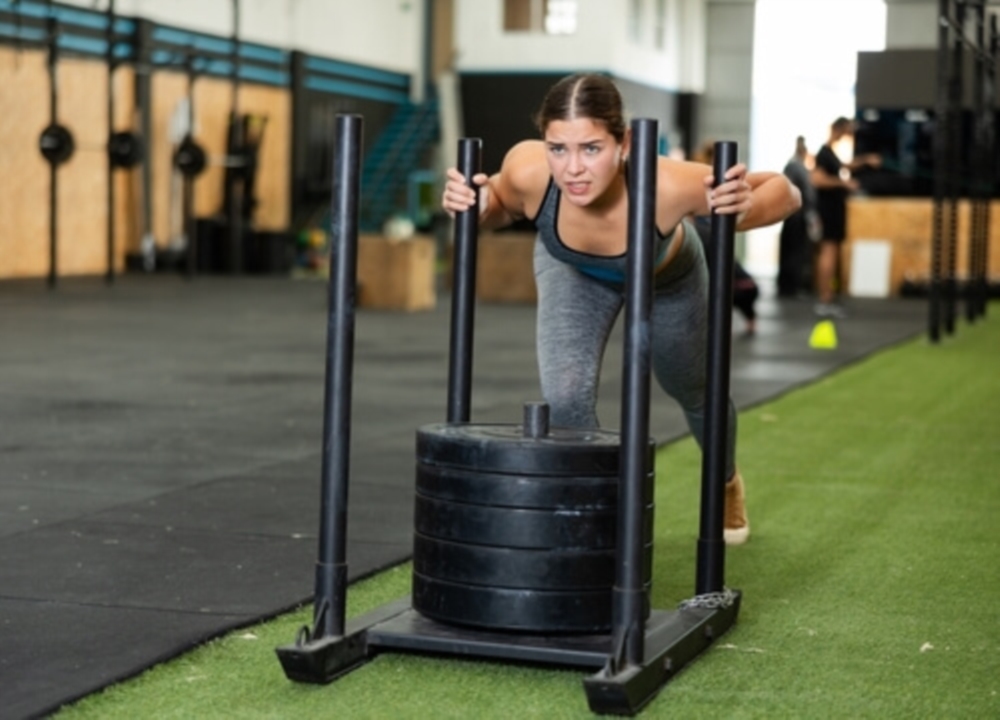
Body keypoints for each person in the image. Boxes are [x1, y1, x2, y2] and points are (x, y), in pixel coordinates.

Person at [441, 73, 801, 544]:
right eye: (558, 148)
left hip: (667, 279)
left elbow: (786, 191)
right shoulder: (529, 171)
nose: (572, 168)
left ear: (624, 142)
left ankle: (727, 480)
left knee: (694, 391)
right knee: (566, 394)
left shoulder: (666, 182)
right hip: (572, 272)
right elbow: (499, 211)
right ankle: (598, 524)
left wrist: (747, 202)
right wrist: (473, 203)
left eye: (591, 148)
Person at [811, 118, 881, 317]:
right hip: (828, 209)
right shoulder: (823, 152)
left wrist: (866, 160)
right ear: (838, 129)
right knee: (828, 251)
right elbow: (817, 180)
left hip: (834, 209)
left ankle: (828, 297)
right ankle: (824, 300)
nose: (847, 136)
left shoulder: (830, 153)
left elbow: (844, 166)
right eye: (846, 131)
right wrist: (844, 184)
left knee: (832, 252)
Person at [777, 136, 819, 298]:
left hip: (792, 216)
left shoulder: (793, 166)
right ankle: (790, 287)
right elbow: (807, 194)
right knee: (795, 253)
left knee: (790, 252)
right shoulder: (797, 167)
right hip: (797, 217)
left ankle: (788, 286)